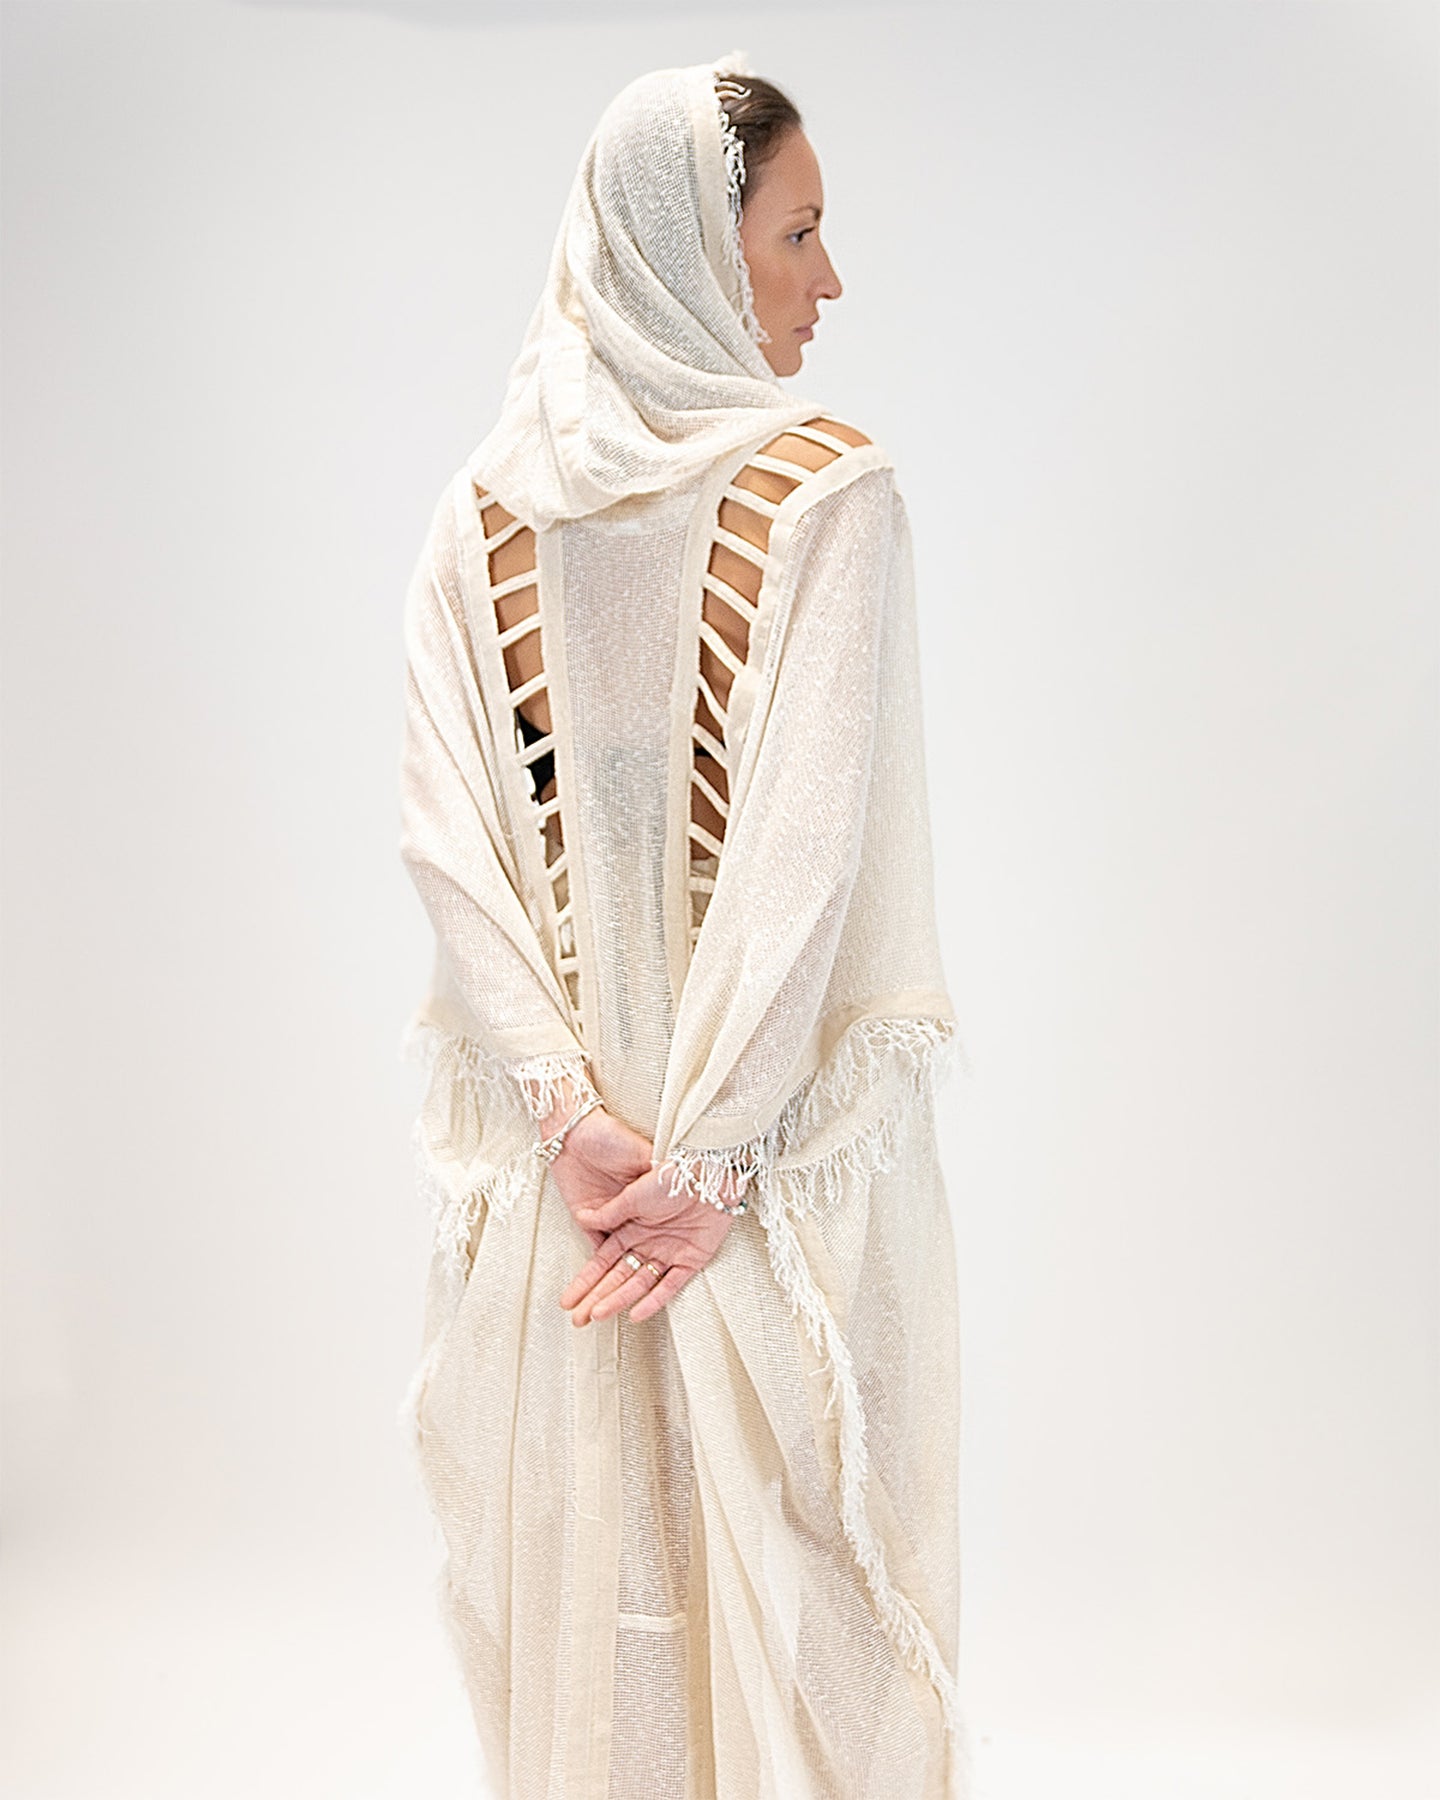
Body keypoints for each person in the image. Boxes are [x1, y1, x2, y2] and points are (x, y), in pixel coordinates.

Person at [397, 49, 975, 1798]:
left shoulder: (482, 522)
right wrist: (703, 1166)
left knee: (606, 1603)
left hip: (583, 1196)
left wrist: (576, 1121)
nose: (829, 279)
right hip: (762, 1188)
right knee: (806, 1613)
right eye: (796, 233)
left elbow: (449, 840)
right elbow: (799, 864)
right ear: (687, 248)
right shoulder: (825, 495)